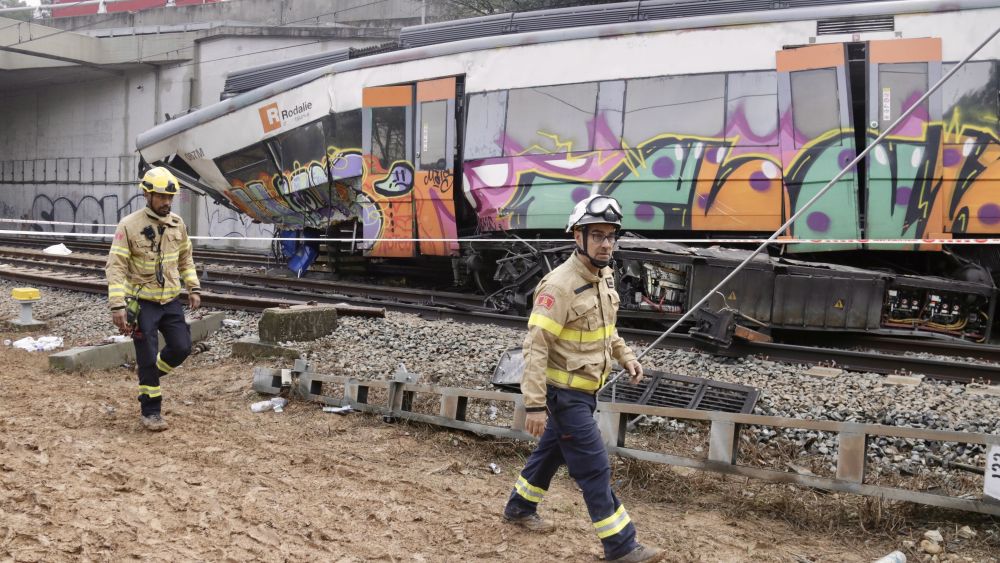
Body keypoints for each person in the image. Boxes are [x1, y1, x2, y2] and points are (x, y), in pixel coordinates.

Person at [502, 194, 663, 563]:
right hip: (564, 396)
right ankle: (621, 546)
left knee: (550, 454)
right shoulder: (559, 286)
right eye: (598, 236)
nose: (606, 244)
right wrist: (535, 405)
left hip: (586, 391)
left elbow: (607, 331)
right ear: (579, 237)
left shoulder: (603, 277)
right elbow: (535, 347)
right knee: (594, 467)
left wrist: (626, 357)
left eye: (611, 236)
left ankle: (519, 507)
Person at [105, 166, 201, 432]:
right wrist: (117, 305)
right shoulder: (129, 225)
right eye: (160, 196)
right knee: (146, 354)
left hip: (170, 300)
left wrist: (193, 288)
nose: (166, 202)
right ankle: (151, 412)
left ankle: (151, 373)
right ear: (147, 195)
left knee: (181, 347)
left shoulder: (177, 224)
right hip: (142, 302)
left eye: (169, 197)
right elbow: (116, 267)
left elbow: (185, 259)